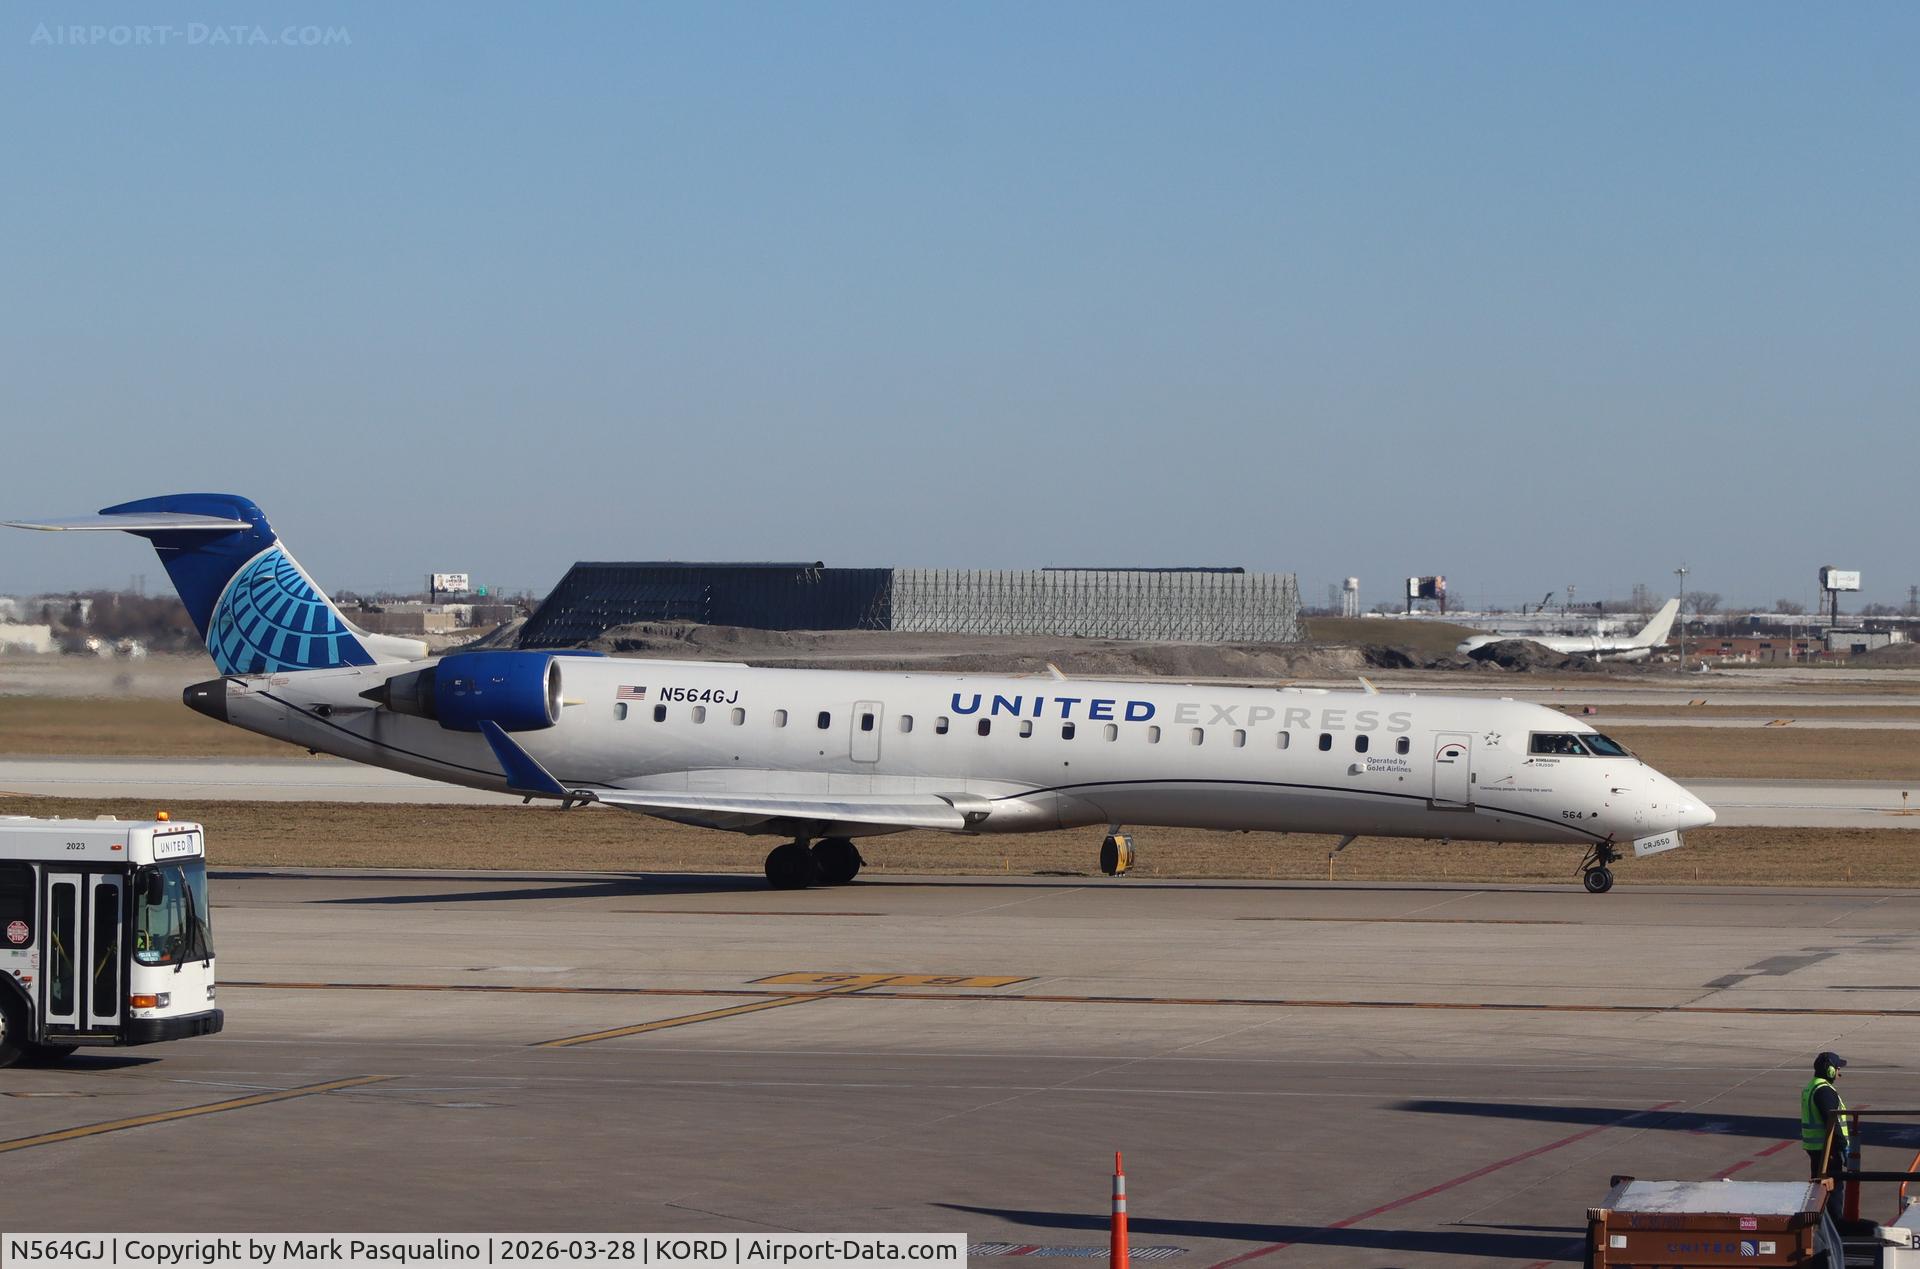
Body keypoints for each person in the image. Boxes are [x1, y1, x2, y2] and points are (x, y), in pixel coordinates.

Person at [1801, 1051, 1853, 1222]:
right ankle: (1835, 1226)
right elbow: (1832, 1121)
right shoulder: (1824, 1091)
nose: (1839, 1073)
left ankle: (1823, 1225)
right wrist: (1843, 1146)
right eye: (1837, 1068)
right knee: (1833, 1190)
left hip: (1816, 1148)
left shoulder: (1812, 1086)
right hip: (1827, 1150)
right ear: (1829, 1070)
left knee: (1820, 1189)